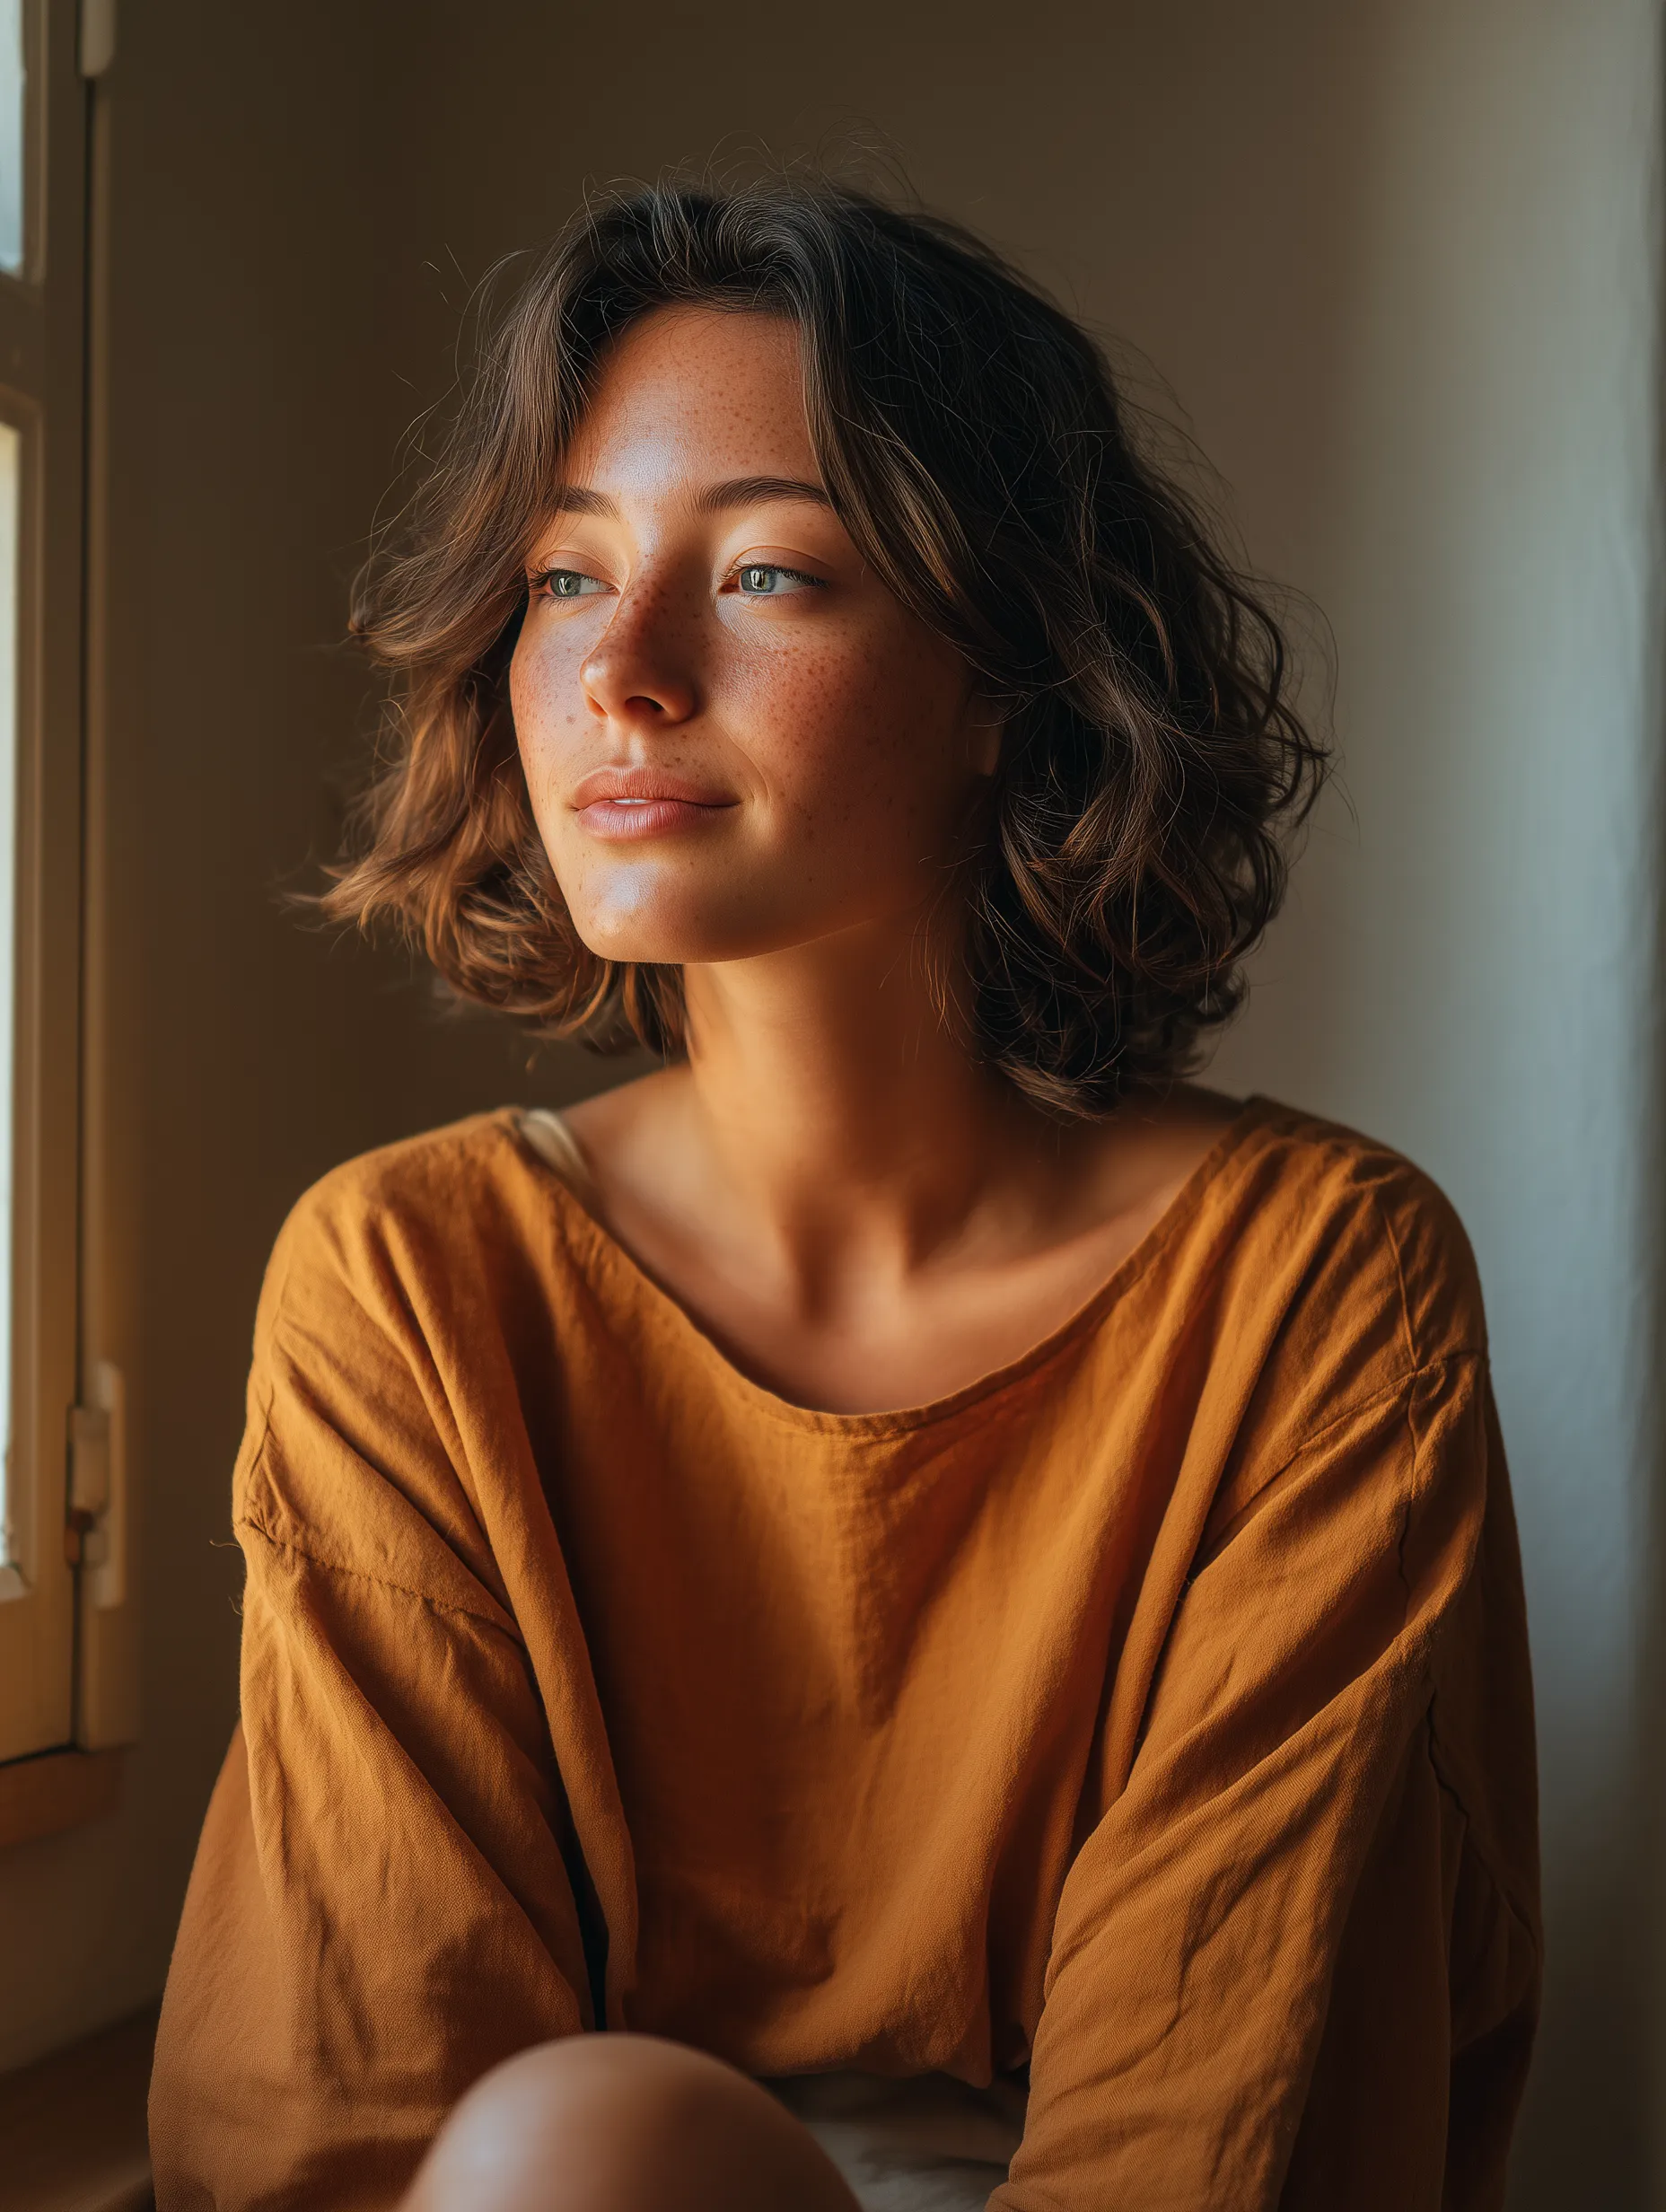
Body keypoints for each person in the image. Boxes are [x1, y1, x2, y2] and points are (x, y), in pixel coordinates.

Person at [147, 178, 1540, 2212]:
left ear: (1006, 675)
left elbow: (1237, 2115)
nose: (619, 670)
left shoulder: (1318, 1285)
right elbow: (341, 2107)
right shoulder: (412, 1279)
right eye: (559, 579)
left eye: (771, 575)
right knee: (574, 2147)